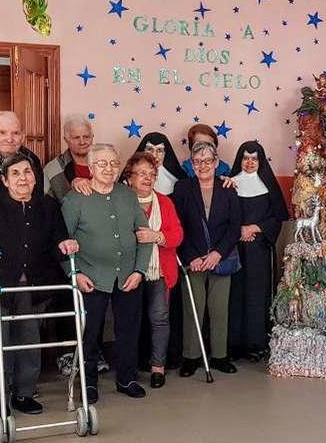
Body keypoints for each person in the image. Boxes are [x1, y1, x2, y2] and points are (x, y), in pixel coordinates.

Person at [0, 154, 78, 416]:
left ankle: (24, 393)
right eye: (15, 173)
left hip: (32, 286)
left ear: (35, 178)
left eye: (27, 172)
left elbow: (57, 241)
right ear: (5, 179)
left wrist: (65, 245)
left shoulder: (47, 206)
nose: (23, 178)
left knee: (28, 341)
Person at [61, 144, 153, 403]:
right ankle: (88, 383)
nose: (108, 168)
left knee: (129, 331)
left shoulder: (127, 195)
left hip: (128, 276)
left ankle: (127, 378)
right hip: (90, 277)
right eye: (102, 163)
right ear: (90, 168)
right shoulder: (74, 199)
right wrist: (74, 273)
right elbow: (62, 242)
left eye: (113, 163)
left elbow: (144, 236)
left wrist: (140, 270)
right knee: (90, 333)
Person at [171, 142, 243, 376]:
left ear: (216, 162)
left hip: (221, 258)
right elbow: (178, 225)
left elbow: (234, 228)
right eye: (197, 161)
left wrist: (217, 254)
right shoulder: (182, 188)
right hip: (193, 261)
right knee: (193, 309)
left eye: (207, 161)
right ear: (192, 164)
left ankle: (220, 356)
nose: (203, 165)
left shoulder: (228, 188)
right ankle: (191, 357)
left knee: (219, 310)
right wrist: (191, 257)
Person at [123, 152, 184, 388]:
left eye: (152, 174)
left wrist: (156, 236)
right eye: (142, 173)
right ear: (130, 177)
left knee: (159, 318)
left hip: (159, 270)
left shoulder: (165, 202)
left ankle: (158, 367)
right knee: (130, 319)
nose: (148, 178)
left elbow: (177, 235)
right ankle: (130, 366)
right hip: (129, 271)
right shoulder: (121, 200)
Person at [227, 141, 289, 362]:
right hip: (233, 249)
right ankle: (233, 343)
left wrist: (255, 227)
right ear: (239, 160)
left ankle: (256, 343)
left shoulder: (268, 186)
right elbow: (221, 217)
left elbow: (277, 218)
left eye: (254, 158)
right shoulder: (230, 184)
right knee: (234, 295)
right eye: (245, 158)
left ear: (260, 161)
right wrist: (239, 231)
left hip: (259, 251)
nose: (250, 162)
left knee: (257, 295)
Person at [43, 114, 94, 202]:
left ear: (92, 137)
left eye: (86, 137)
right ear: (66, 140)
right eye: (76, 138)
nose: (82, 142)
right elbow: (45, 204)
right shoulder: (52, 169)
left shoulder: (104, 164)